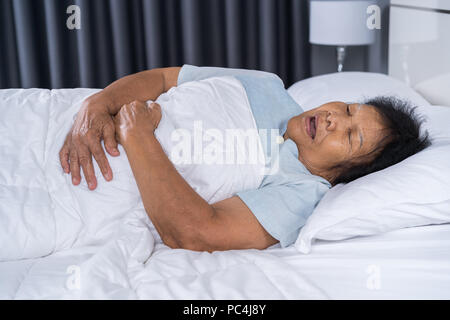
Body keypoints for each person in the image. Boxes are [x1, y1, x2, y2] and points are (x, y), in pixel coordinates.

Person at [59, 65, 430, 252]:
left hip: (80, 182)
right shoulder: (265, 85)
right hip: (68, 119)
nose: (335, 119)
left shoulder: (300, 193)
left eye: (351, 136)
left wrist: (138, 136)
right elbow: (164, 78)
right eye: (349, 109)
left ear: (351, 172)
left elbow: (196, 232)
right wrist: (97, 104)